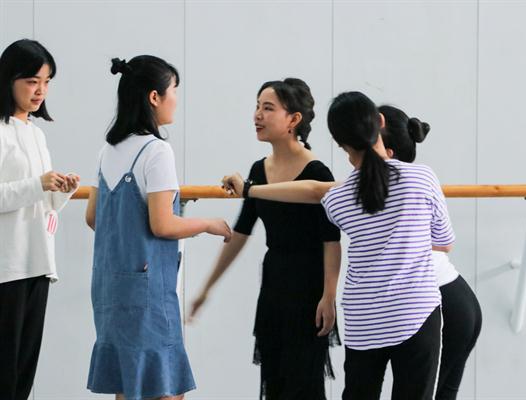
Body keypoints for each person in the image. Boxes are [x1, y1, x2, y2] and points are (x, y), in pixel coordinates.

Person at [222, 91, 455, 399]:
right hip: (417, 314)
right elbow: (444, 243)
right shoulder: (422, 178)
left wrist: (249, 190)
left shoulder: (339, 200)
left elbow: (315, 191)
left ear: (339, 142)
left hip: (363, 321)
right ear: (380, 122)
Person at [85, 55, 231, 400]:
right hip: (147, 292)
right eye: (174, 90)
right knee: (165, 386)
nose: (176, 99)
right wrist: (208, 224)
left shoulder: (108, 151)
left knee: (128, 381)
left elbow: (93, 217)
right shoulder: (156, 151)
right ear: (154, 97)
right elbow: (162, 224)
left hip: (109, 288)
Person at [188, 78, 342, 399]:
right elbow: (241, 232)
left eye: (268, 108)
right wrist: (206, 287)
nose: (257, 115)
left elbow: (331, 240)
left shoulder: (317, 172)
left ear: (293, 119)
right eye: (257, 106)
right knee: (275, 380)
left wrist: (329, 295)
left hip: (309, 288)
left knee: (304, 382)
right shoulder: (258, 170)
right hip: (273, 284)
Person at [379, 104, 481, 400]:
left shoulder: (395, 185)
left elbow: (445, 242)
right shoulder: (409, 183)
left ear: (388, 153)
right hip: (458, 301)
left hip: (447, 307)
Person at [0, 38, 79, 400]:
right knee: (4, 373)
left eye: (46, 82)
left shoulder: (36, 133)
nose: (40, 91)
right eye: (32, 81)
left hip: (38, 264)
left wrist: (60, 191)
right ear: (9, 79)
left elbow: (43, 206)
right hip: (6, 267)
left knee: (23, 374)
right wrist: (38, 184)